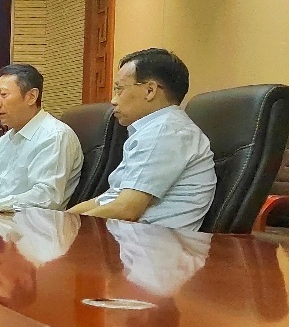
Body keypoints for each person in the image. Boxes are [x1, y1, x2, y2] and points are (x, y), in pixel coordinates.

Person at [69, 48, 216, 231]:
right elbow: (106, 200)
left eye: (119, 89)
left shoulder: (165, 132)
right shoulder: (155, 130)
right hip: (131, 238)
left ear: (150, 90)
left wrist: (66, 229)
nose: (113, 100)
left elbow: (126, 210)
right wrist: (62, 220)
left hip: (153, 244)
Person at [0, 64, 83, 211]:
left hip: (27, 221)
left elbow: (46, 197)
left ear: (31, 97)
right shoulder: (6, 139)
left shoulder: (54, 136)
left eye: (3, 95)